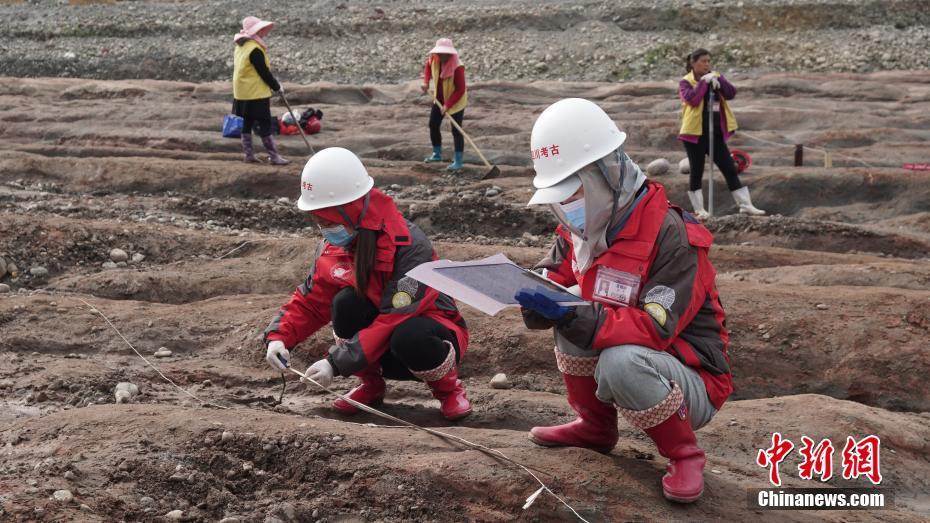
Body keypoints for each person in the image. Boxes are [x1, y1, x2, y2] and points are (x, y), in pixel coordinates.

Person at [515, 98, 733, 503]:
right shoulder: (583, 229)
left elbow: (654, 329)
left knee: (616, 355)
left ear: (606, 175)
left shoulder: (671, 236)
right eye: (560, 197)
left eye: (574, 193)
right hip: (639, 353)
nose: (567, 207)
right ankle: (594, 427)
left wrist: (575, 314)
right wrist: (537, 291)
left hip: (690, 377)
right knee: (568, 312)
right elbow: (558, 274)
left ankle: (684, 454)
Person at [262, 147, 472, 420]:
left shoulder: (408, 245)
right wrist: (279, 337)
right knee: (345, 305)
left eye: (327, 220)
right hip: (375, 344)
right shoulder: (332, 246)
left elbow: (394, 318)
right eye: (318, 221)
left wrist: (335, 364)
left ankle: (448, 390)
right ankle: (371, 385)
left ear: (350, 210)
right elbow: (312, 301)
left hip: (429, 333)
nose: (324, 228)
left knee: (409, 334)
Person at [679, 48, 764, 218]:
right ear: (693, 63)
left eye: (709, 61)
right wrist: (703, 83)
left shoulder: (714, 76)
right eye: (703, 61)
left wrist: (718, 80)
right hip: (694, 134)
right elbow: (693, 100)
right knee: (697, 170)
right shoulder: (685, 82)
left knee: (728, 168)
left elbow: (731, 93)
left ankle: (745, 205)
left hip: (714, 132)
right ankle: (699, 210)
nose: (707, 64)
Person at [232, 16, 289, 166]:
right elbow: (264, 73)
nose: (264, 32)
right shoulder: (255, 49)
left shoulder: (241, 46)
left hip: (241, 92)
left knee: (247, 121)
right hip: (255, 93)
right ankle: (274, 156)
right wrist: (277, 87)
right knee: (264, 122)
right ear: (255, 31)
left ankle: (249, 155)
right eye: (261, 29)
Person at [420, 38, 468, 171]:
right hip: (439, 99)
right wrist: (426, 82)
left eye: (444, 53)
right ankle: (437, 154)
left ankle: (458, 161)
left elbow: (460, 89)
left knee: (456, 130)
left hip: (456, 101)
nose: (441, 56)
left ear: (450, 54)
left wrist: (448, 105)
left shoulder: (457, 67)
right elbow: (428, 67)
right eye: (439, 53)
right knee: (433, 124)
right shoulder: (434, 59)